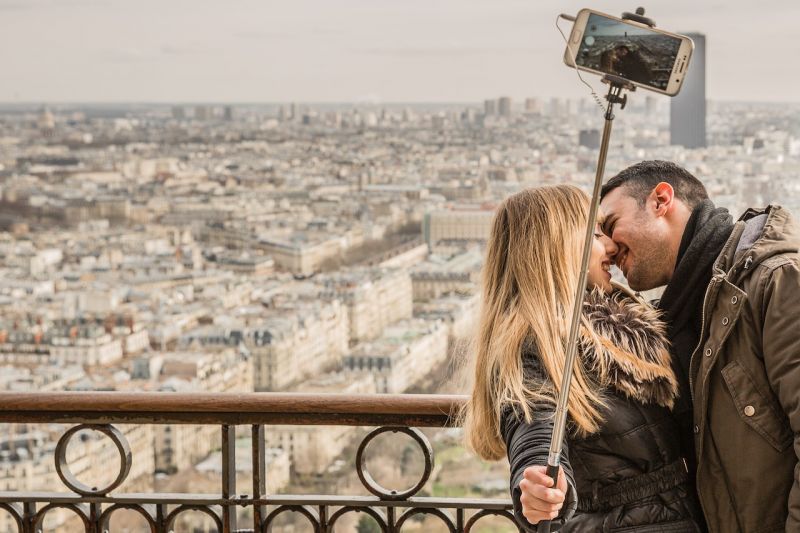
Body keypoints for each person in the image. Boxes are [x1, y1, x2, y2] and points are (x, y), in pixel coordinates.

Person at [462, 185, 703, 531]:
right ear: (554, 247)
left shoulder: (616, 326)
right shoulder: (535, 346)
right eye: (595, 233)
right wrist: (538, 483)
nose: (610, 246)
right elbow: (534, 426)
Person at [598, 160, 800, 533]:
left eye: (610, 225)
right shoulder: (687, 311)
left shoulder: (774, 280)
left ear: (661, 200)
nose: (607, 248)